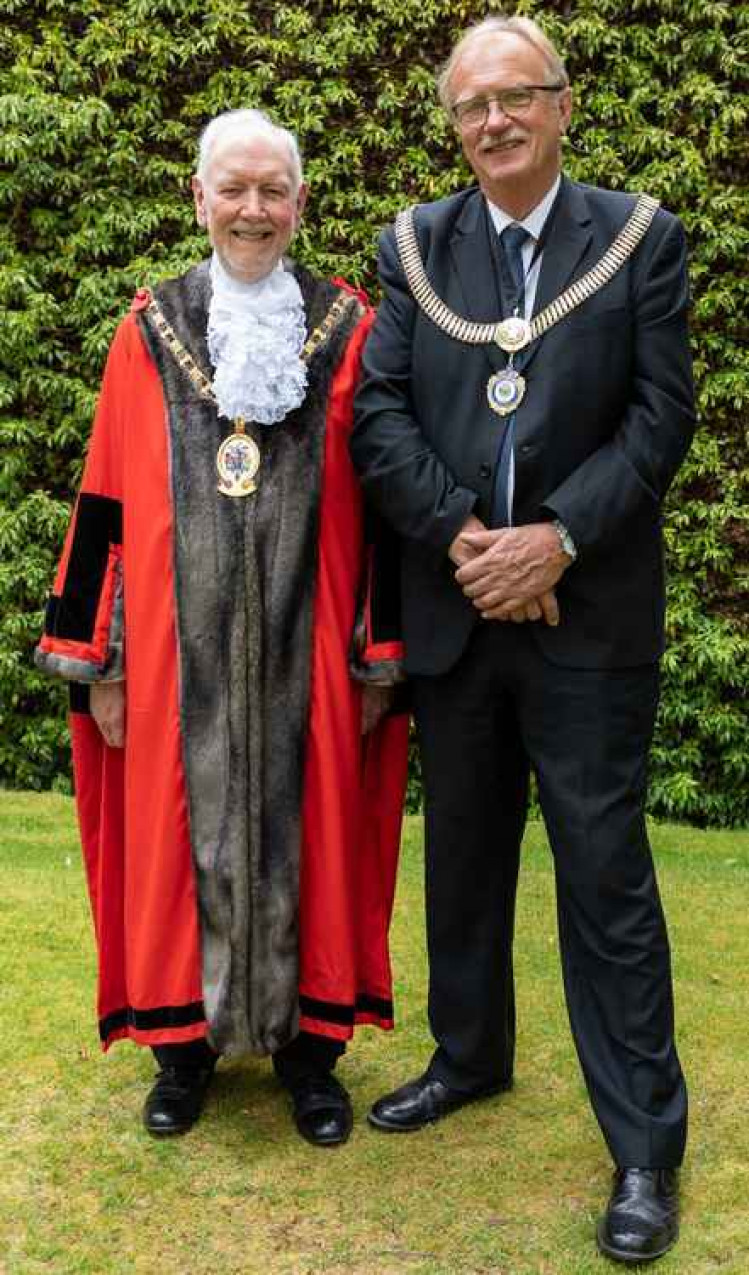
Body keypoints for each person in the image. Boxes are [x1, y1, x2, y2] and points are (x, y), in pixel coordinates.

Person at [351, 15, 694, 1264]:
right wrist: (467, 545)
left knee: (603, 877)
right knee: (465, 857)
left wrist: (551, 541)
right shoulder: (417, 246)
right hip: (458, 605)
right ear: (452, 126)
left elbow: (662, 419)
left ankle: (643, 1149)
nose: (491, 122)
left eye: (514, 99)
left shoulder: (638, 239)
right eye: (467, 108)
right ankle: (468, 1057)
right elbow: (378, 414)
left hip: (585, 612)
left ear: (560, 105)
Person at [36, 108, 409, 1149]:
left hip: (313, 649)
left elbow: (383, 504)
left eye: (272, 190)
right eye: (233, 188)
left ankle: (309, 1057)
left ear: (299, 202)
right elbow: (104, 499)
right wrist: (96, 659)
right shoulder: (144, 330)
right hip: (172, 651)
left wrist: (381, 651)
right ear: (197, 198)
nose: (253, 208)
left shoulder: (351, 327)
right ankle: (182, 1051)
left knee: (321, 839)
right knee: (170, 839)